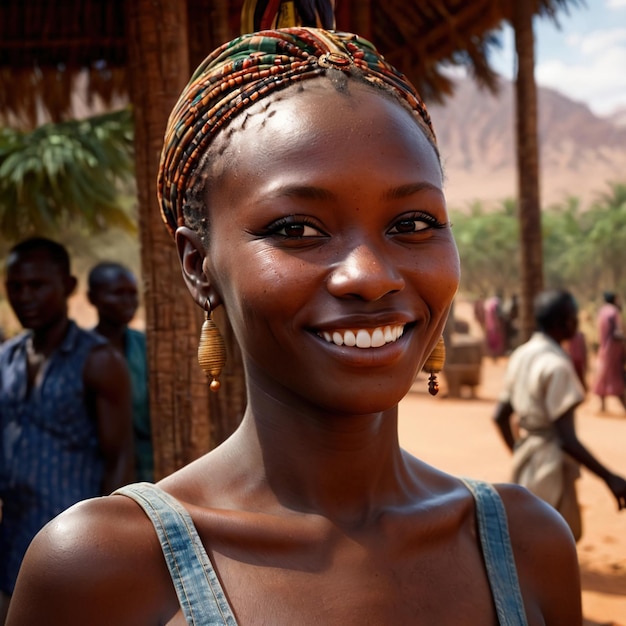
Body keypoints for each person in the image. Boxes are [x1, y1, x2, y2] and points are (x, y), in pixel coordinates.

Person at [7, 29, 582, 625]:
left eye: (412, 222)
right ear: (198, 266)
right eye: (296, 229)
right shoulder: (100, 570)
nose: (370, 275)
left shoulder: (526, 545)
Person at [0, 238, 135, 622]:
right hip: (12, 547)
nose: (25, 296)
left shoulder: (98, 361)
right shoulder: (6, 359)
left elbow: (120, 459)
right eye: (15, 286)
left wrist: (109, 554)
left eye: (37, 285)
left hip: (74, 550)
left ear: (69, 287)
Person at [493, 289, 626, 543]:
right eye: (574, 318)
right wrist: (610, 478)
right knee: (555, 541)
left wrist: (520, 449)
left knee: (529, 537)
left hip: (527, 459)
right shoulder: (556, 365)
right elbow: (566, 438)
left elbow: (500, 415)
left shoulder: (521, 355)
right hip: (550, 466)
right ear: (564, 322)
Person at [87, 262, 153, 482]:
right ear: (92, 298)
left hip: (149, 473)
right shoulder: (82, 354)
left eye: (132, 294)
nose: (128, 302)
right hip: (94, 475)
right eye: (117, 293)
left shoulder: (147, 349)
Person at [591, 291, 626, 413]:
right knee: (616, 375)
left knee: (603, 375)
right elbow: (617, 332)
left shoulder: (602, 311)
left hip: (604, 348)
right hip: (614, 350)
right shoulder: (613, 311)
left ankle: (602, 406)